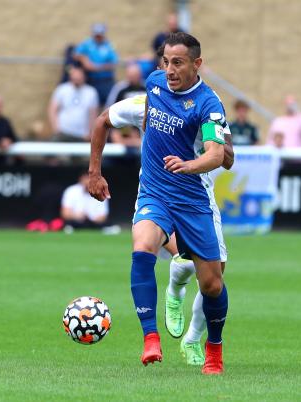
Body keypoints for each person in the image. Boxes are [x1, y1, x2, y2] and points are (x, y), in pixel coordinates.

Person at [88, 32, 229, 375]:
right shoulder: (153, 85)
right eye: (166, 61)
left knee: (212, 283)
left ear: (197, 64)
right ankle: (151, 338)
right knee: (142, 246)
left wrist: (189, 164)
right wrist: (94, 172)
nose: (169, 69)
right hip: (154, 191)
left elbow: (218, 155)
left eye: (178, 62)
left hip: (195, 198)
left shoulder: (209, 104)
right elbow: (103, 121)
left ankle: (213, 348)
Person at [48, 65, 99, 142]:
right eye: (75, 78)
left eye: (79, 78)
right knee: (50, 151)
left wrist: (91, 132)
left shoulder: (91, 92)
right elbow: (52, 110)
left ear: (84, 77)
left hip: (82, 135)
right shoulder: (62, 89)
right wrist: (56, 129)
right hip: (62, 132)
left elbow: (93, 114)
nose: (76, 80)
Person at [74, 23, 118, 107]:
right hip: (91, 80)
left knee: (108, 104)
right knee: (90, 104)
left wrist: (96, 67)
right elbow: (76, 54)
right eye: (96, 35)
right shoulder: (87, 44)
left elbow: (113, 63)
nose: (98, 37)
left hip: (106, 80)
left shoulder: (108, 45)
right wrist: (83, 59)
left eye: (100, 35)